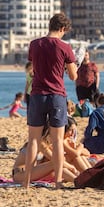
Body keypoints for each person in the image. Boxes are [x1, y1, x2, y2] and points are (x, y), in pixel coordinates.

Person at [24, 13, 78, 189]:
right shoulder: (65, 47)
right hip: (56, 95)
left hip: (37, 94)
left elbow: (33, 68)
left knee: (33, 140)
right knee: (57, 141)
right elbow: (73, 75)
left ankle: (26, 182)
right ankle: (58, 182)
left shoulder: (34, 44)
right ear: (62, 29)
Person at [13, 125, 78, 184]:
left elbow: (60, 158)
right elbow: (55, 160)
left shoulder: (47, 143)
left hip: (33, 171)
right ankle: (76, 180)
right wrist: (71, 167)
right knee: (55, 163)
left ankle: (78, 179)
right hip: (20, 174)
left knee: (59, 162)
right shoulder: (40, 143)